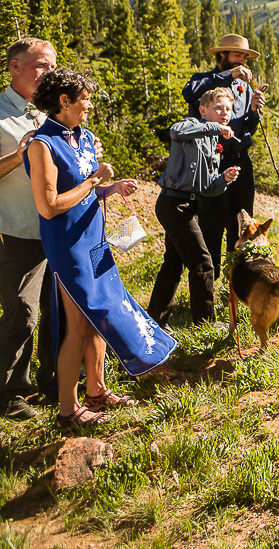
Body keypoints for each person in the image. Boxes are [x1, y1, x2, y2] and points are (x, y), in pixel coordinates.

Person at [25, 68, 175, 430]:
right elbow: (49, 205)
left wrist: (110, 188)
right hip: (68, 245)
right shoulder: (41, 145)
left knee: (98, 319)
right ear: (64, 101)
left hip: (93, 237)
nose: (90, 104)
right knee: (77, 324)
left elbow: (85, 189)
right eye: (85, 98)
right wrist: (95, 180)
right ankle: (68, 410)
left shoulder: (85, 137)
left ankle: (97, 391)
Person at [147, 88, 242, 329]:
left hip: (190, 204)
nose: (224, 114)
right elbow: (175, 131)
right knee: (203, 263)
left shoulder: (213, 142)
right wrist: (216, 128)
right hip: (173, 204)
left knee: (173, 262)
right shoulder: (191, 126)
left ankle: (156, 320)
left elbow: (208, 188)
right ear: (203, 110)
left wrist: (224, 179)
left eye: (228, 110)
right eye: (218, 108)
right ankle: (205, 323)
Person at [0, 38, 57, 420]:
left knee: (58, 310)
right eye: (42, 66)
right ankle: (10, 393)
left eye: (53, 66)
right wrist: (18, 154)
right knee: (22, 310)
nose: (50, 73)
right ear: (15, 67)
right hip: (15, 227)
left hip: (57, 227)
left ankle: (53, 382)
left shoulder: (52, 110)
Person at [182, 33, 264, 278]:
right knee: (211, 224)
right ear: (222, 56)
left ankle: (236, 278)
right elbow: (189, 93)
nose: (242, 61)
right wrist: (230, 75)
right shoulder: (203, 80)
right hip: (212, 162)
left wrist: (253, 111)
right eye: (238, 55)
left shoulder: (244, 88)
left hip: (240, 160)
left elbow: (248, 127)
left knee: (241, 222)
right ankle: (209, 280)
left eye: (245, 57)